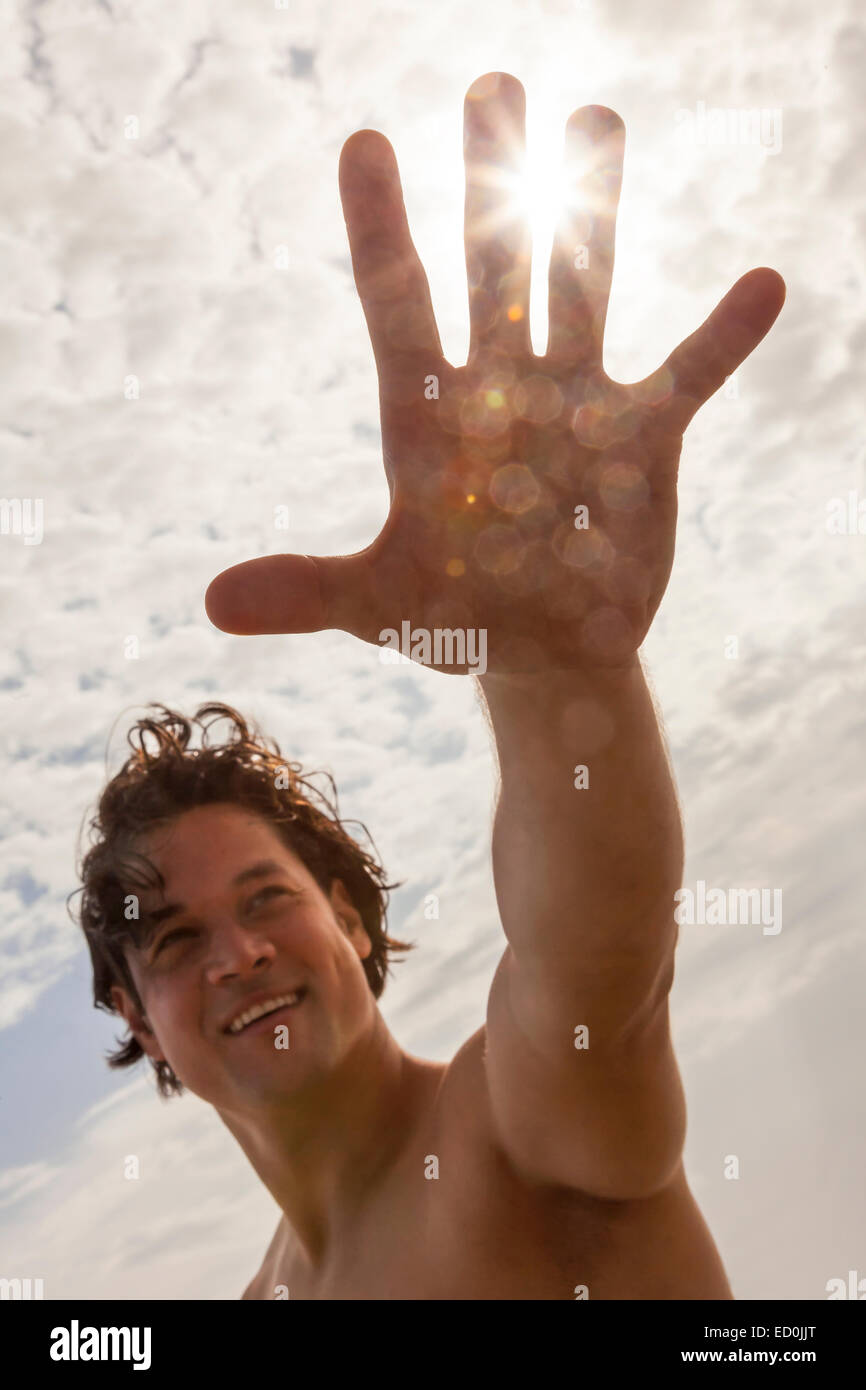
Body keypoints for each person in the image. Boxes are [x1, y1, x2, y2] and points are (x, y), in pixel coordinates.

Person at [77, 71, 785, 1299]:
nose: (237, 952)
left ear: (352, 918)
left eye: (266, 896)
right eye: (176, 941)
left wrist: (558, 666)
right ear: (140, 1025)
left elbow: (597, 964)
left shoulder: (517, 1127)